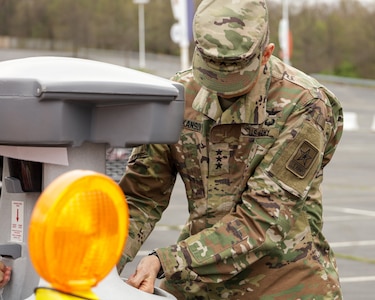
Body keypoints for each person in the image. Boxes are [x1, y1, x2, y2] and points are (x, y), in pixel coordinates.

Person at [118, 0, 343, 298]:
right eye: (210, 74)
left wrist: (166, 260)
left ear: (266, 54)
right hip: (200, 285)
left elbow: (262, 220)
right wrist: (99, 262)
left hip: (286, 286)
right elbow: (140, 195)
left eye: (234, 78)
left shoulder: (305, 105)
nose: (220, 87)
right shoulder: (178, 98)